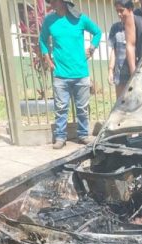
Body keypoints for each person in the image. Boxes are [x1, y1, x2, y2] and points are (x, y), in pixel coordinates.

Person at [40, 0, 102, 149]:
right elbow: (42, 40)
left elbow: (98, 32)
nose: (51, 3)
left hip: (80, 73)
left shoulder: (80, 19)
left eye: (54, 1)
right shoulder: (49, 20)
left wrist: (92, 48)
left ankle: (83, 135)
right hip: (60, 74)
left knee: (82, 108)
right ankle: (60, 137)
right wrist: (47, 58)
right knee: (61, 108)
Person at [108, 0, 134, 99]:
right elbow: (114, 51)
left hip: (134, 74)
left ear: (130, 9)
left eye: (121, 10)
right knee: (120, 104)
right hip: (120, 75)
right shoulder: (115, 28)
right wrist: (110, 70)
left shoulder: (138, 26)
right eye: (117, 11)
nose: (119, 14)